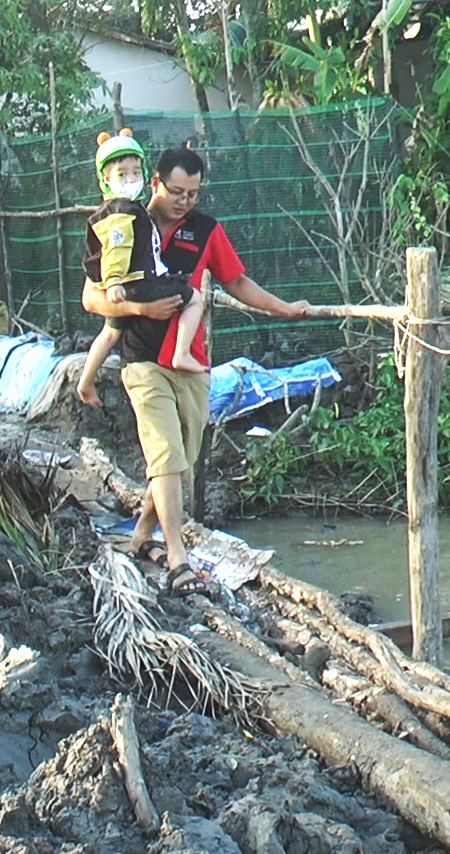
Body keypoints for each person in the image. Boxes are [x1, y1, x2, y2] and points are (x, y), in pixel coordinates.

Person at [76, 144, 309, 595]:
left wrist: (282, 308)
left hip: (193, 363)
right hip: (143, 359)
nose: (185, 200)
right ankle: (178, 557)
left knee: (179, 461)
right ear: (156, 183)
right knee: (164, 455)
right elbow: (92, 297)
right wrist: (144, 306)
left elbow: (236, 281)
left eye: (194, 193)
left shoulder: (204, 230)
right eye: (178, 191)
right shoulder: (126, 222)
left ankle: (142, 534)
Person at [82, 129, 208, 373]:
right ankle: (182, 353)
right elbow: (117, 249)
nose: (131, 179)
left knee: (110, 332)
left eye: (135, 172)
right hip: (138, 282)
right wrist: (115, 281)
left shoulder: (119, 210)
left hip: (126, 287)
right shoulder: (120, 213)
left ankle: (86, 381)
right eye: (122, 174)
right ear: (105, 179)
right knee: (194, 299)